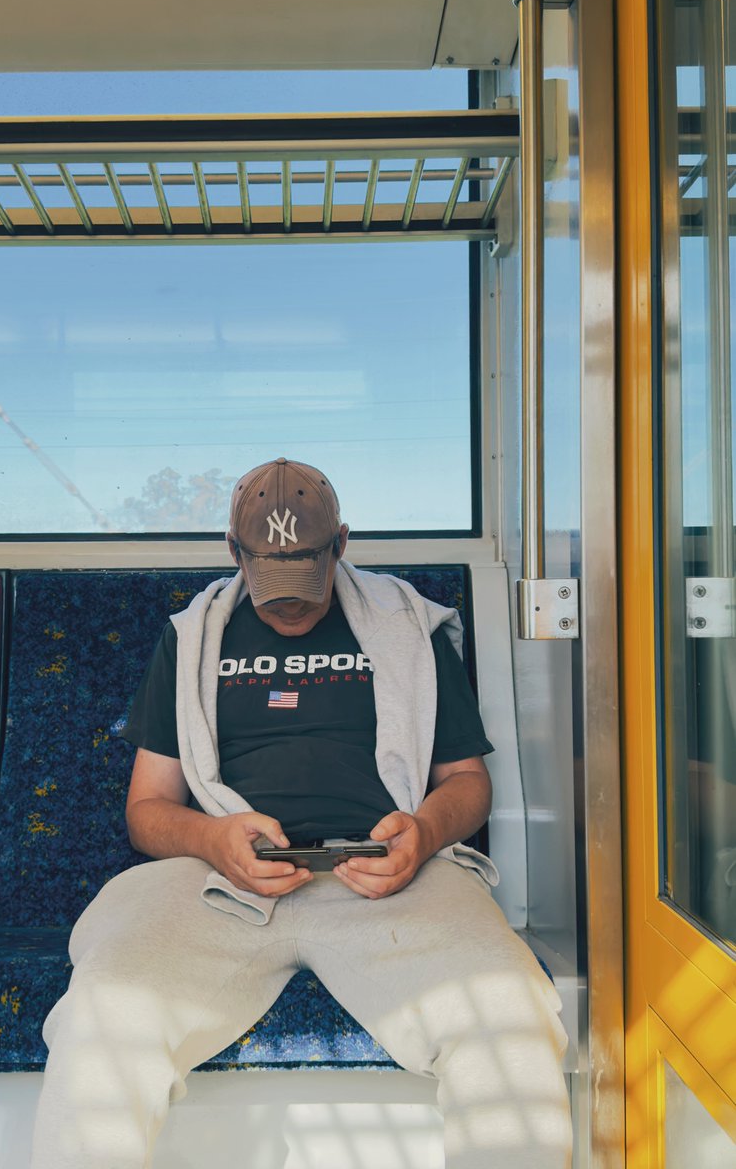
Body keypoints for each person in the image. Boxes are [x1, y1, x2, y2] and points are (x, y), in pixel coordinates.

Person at [31, 457, 572, 1169]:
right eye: (270, 582)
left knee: (508, 1016)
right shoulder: (191, 638)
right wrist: (214, 838)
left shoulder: (408, 628)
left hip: (387, 880)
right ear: (233, 552)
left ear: (342, 544)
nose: (289, 605)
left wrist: (427, 832)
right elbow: (147, 810)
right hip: (218, 884)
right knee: (101, 1020)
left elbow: (467, 782)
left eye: (304, 581)